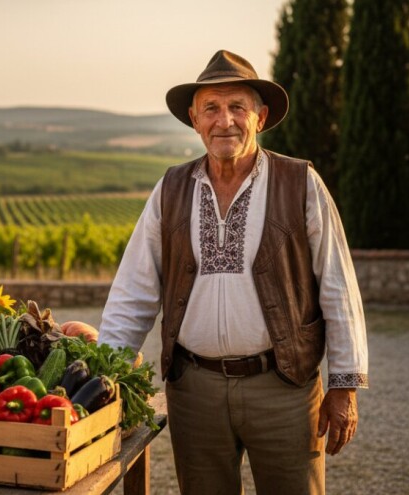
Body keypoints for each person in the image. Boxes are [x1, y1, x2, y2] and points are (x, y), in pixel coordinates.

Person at [98, 50, 368, 495]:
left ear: (260, 117)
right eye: (211, 108)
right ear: (194, 120)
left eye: (237, 107)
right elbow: (134, 291)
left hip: (283, 386)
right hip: (194, 391)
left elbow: (338, 285)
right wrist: (104, 374)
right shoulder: (170, 188)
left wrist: (345, 385)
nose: (224, 121)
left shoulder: (300, 182)